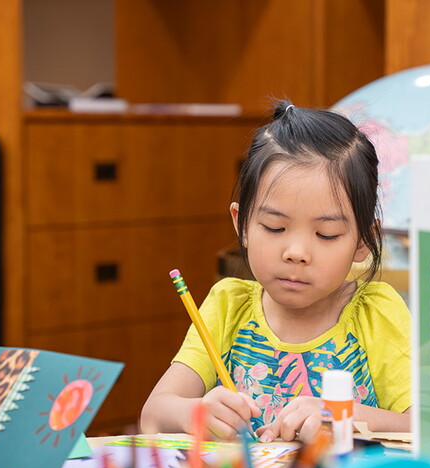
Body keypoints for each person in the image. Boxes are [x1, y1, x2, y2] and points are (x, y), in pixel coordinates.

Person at [141, 101, 411, 442]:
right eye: (274, 227)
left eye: (326, 234)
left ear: (363, 240)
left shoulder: (376, 313)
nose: (296, 253)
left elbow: (421, 427)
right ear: (242, 225)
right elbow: (152, 415)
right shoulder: (228, 306)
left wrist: (342, 415)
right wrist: (196, 412)